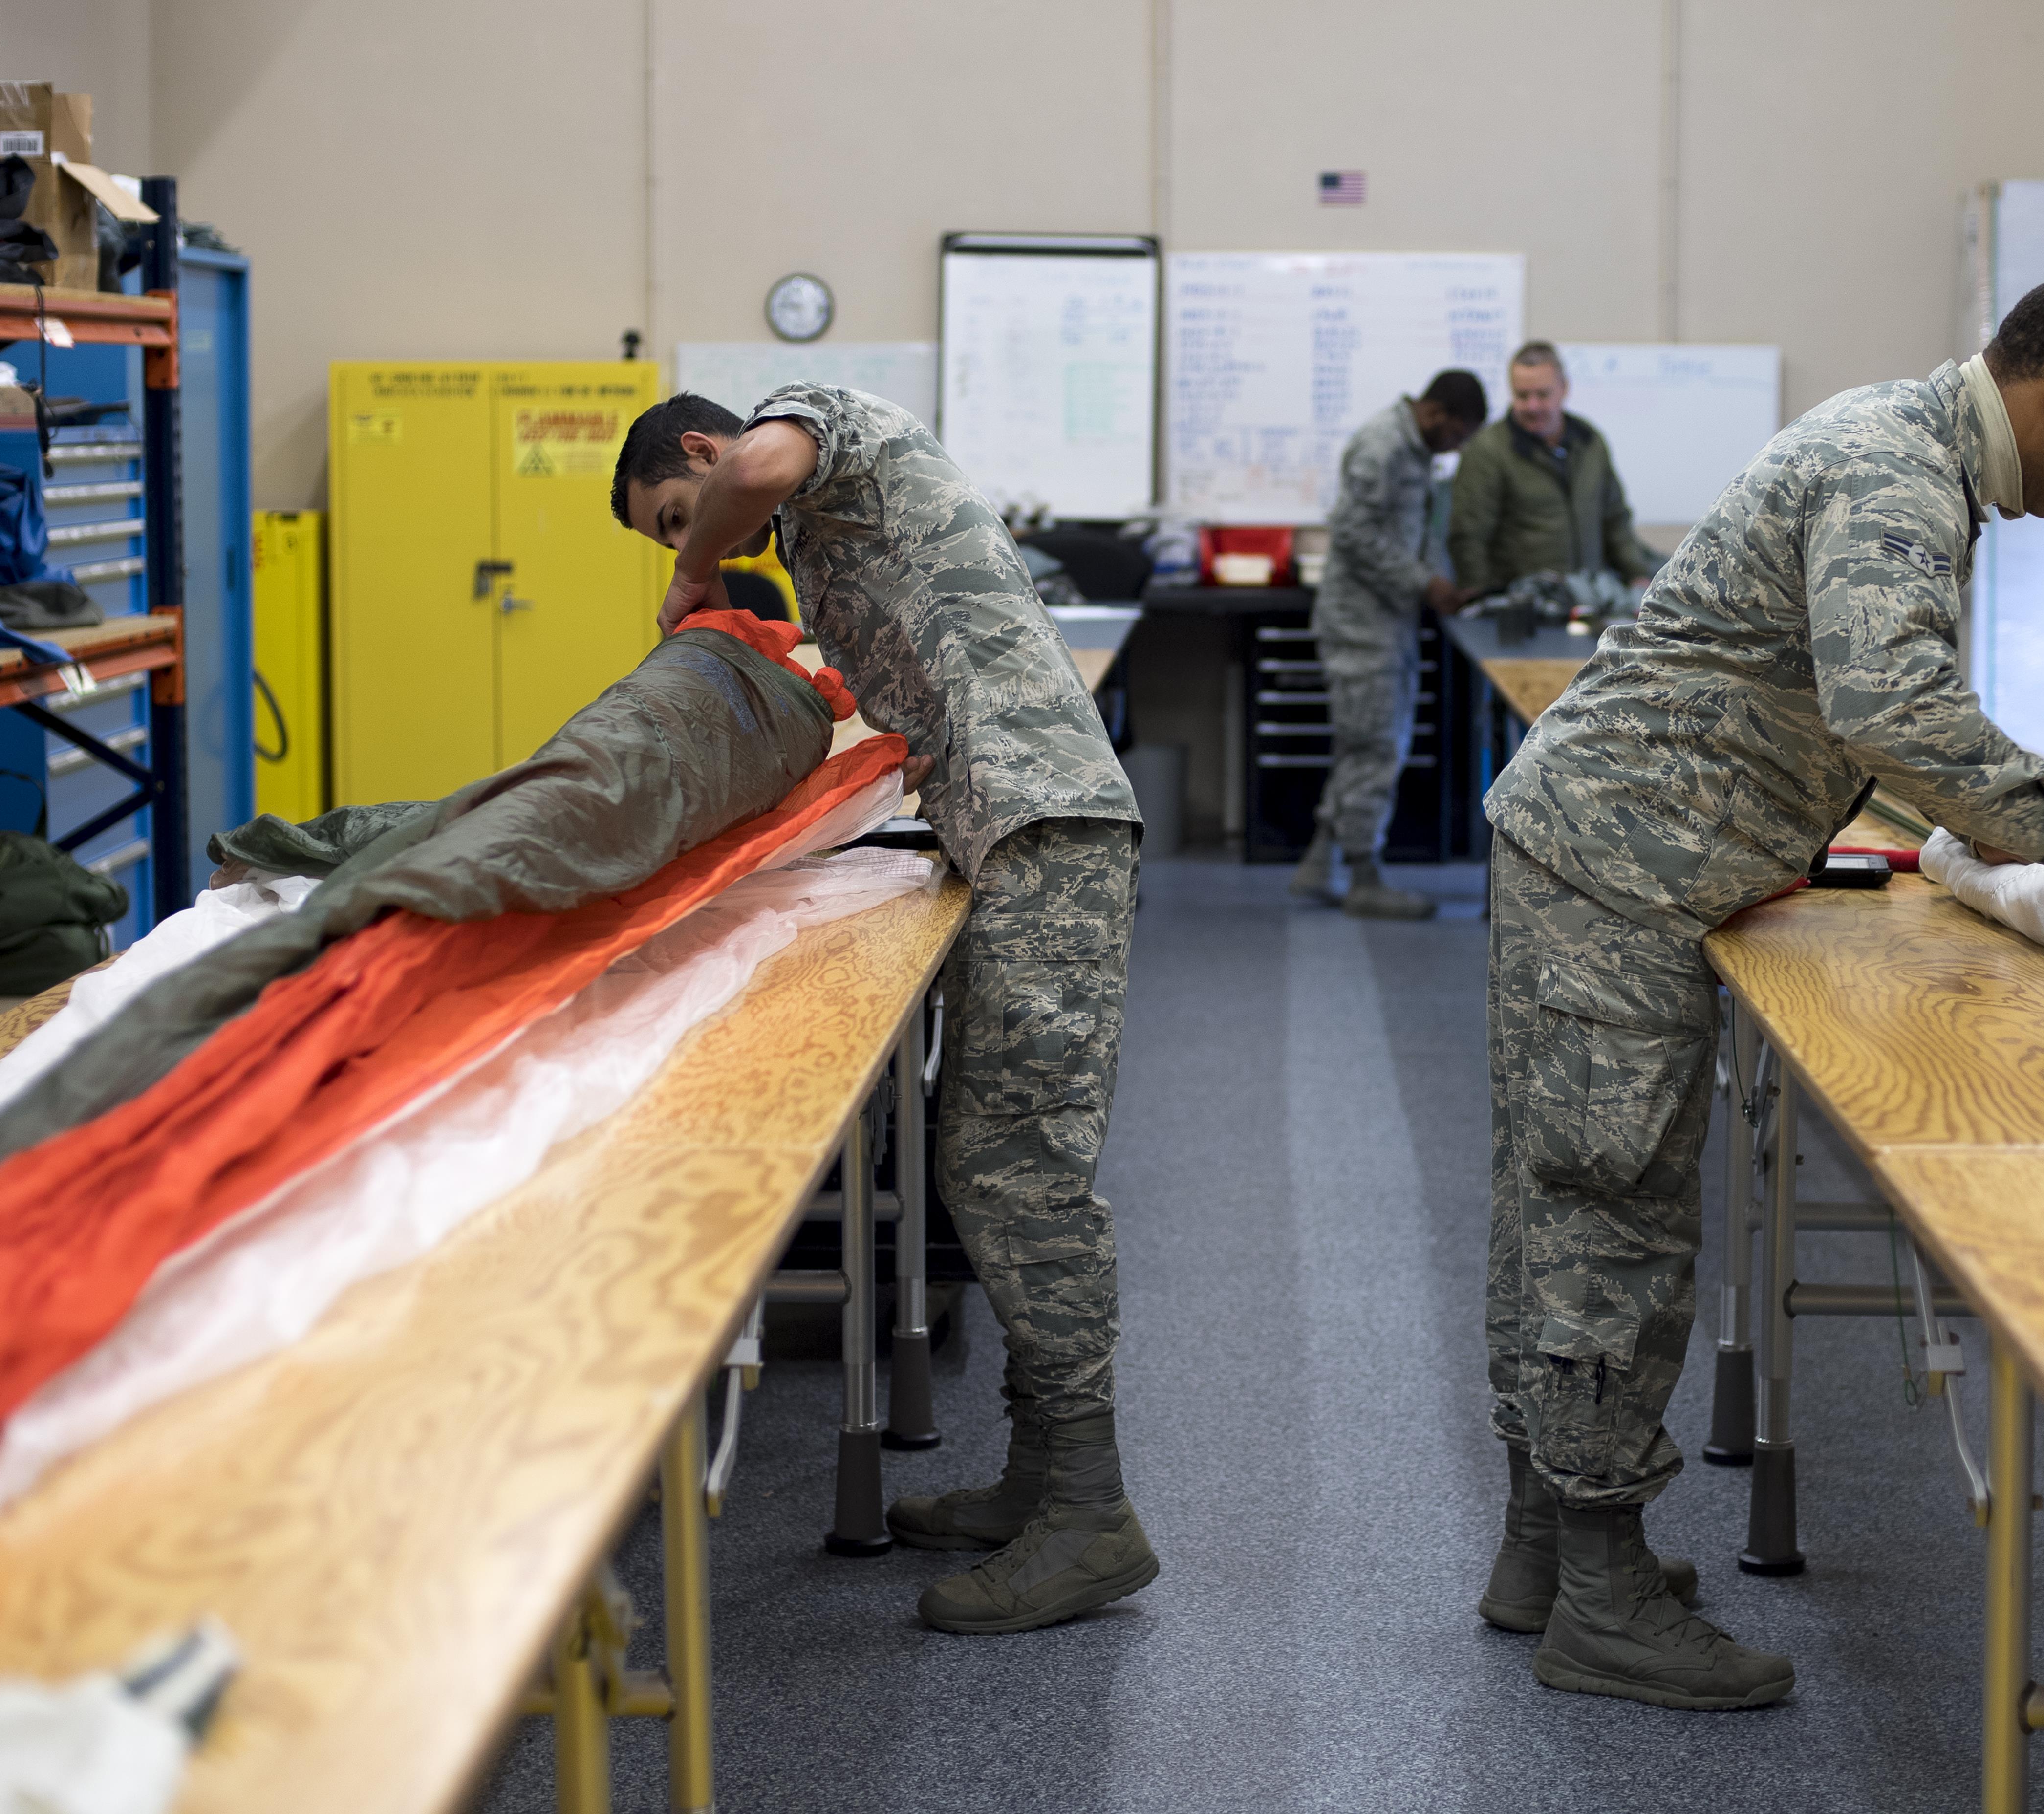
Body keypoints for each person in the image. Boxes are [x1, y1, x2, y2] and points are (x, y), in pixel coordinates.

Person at [1477, 271, 2044, 1710]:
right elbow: (1889, 703)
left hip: (1602, 853)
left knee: (1557, 1203)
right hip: (1621, 865)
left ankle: (1545, 1551)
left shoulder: (1904, 446)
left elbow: (1861, 700)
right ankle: (1600, 1594)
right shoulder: (1898, 468)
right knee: (1608, 1211)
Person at [612, 386, 1156, 1637]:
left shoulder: (813, 428)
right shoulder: (822, 531)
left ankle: (1092, 1510)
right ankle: (1040, 1472)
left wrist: (695, 572)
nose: (701, 541)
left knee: (1021, 1173)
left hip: (1045, 827)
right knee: (983, 1161)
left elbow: (755, 468)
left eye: (678, 513)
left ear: (701, 450)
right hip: (1010, 826)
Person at [1290, 370, 1489, 919]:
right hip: (1361, 624)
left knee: (1366, 743)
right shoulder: (1384, 448)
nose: (1457, 447)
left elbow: (1409, 533)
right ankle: (1363, 876)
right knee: (1375, 746)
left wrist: (1439, 581)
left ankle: (1320, 864)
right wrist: (1424, 583)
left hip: (1386, 621)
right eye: (1458, 435)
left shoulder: (1414, 450)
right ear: (1436, 414)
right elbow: (1353, 533)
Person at [1447, 342, 1658, 601]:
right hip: (1524, 602)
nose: (1532, 406)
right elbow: (1469, 536)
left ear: (1564, 389)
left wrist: (1637, 574)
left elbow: (1615, 519)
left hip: (1591, 597)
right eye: (1522, 396)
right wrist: (1480, 597)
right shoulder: (1488, 450)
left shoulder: (1589, 442)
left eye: (1543, 395)